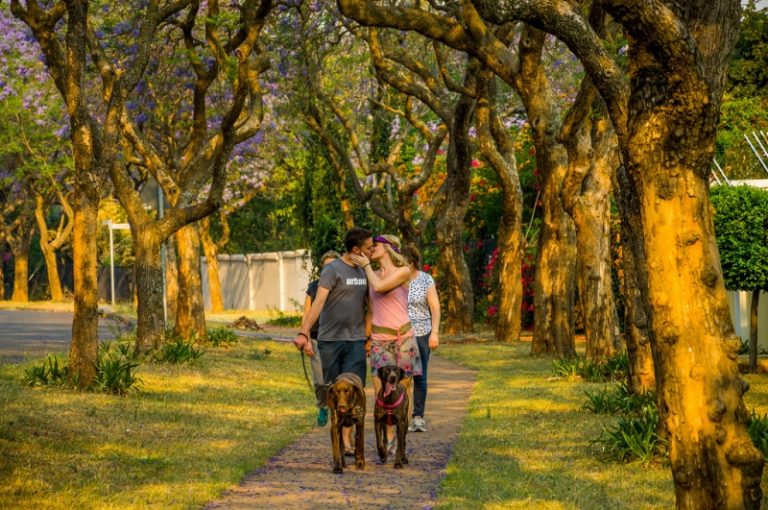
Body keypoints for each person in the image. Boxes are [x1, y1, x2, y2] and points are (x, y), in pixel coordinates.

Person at [294, 227, 373, 452]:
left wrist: (367, 336)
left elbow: (372, 308)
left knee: (353, 390)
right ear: (357, 249)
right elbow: (317, 303)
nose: (372, 250)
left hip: (356, 341)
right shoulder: (332, 270)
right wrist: (304, 332)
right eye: (369, 247)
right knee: (335, 391)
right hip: (330, 341)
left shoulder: (366, 271)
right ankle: (338, 436)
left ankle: (347, 441)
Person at [350, 234, 422, 451]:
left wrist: (366, 267)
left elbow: (381, 287)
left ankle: (399, 433)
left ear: (389, 248)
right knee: (382, 391)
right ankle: (388, 435)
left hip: (404, 339)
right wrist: (367, 335)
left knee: (402, 390)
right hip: (380, 340)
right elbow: (372, 308)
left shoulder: (404, 271)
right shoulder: (373, 275)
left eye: (376, 246)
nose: (371, 250)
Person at [401, 244, 440, 432]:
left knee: (420, 376)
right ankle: (400, 414)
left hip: (422, 332)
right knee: (402, 376)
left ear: (412, 262)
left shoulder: (425, 279)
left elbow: (435, 307)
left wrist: (435, 332)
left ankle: (418, 416)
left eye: (403, 262)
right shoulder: (397, 280)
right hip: (401, 334)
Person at [302, 250, 341, 427]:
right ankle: (323, 405)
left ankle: (337, 409)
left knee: (337, 380)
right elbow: (306, 314)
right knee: (320, 380)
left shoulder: (344, 287)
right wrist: (306, 338)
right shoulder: (313, 287)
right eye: (326, 267)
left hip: (337, 339)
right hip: (316, 338)